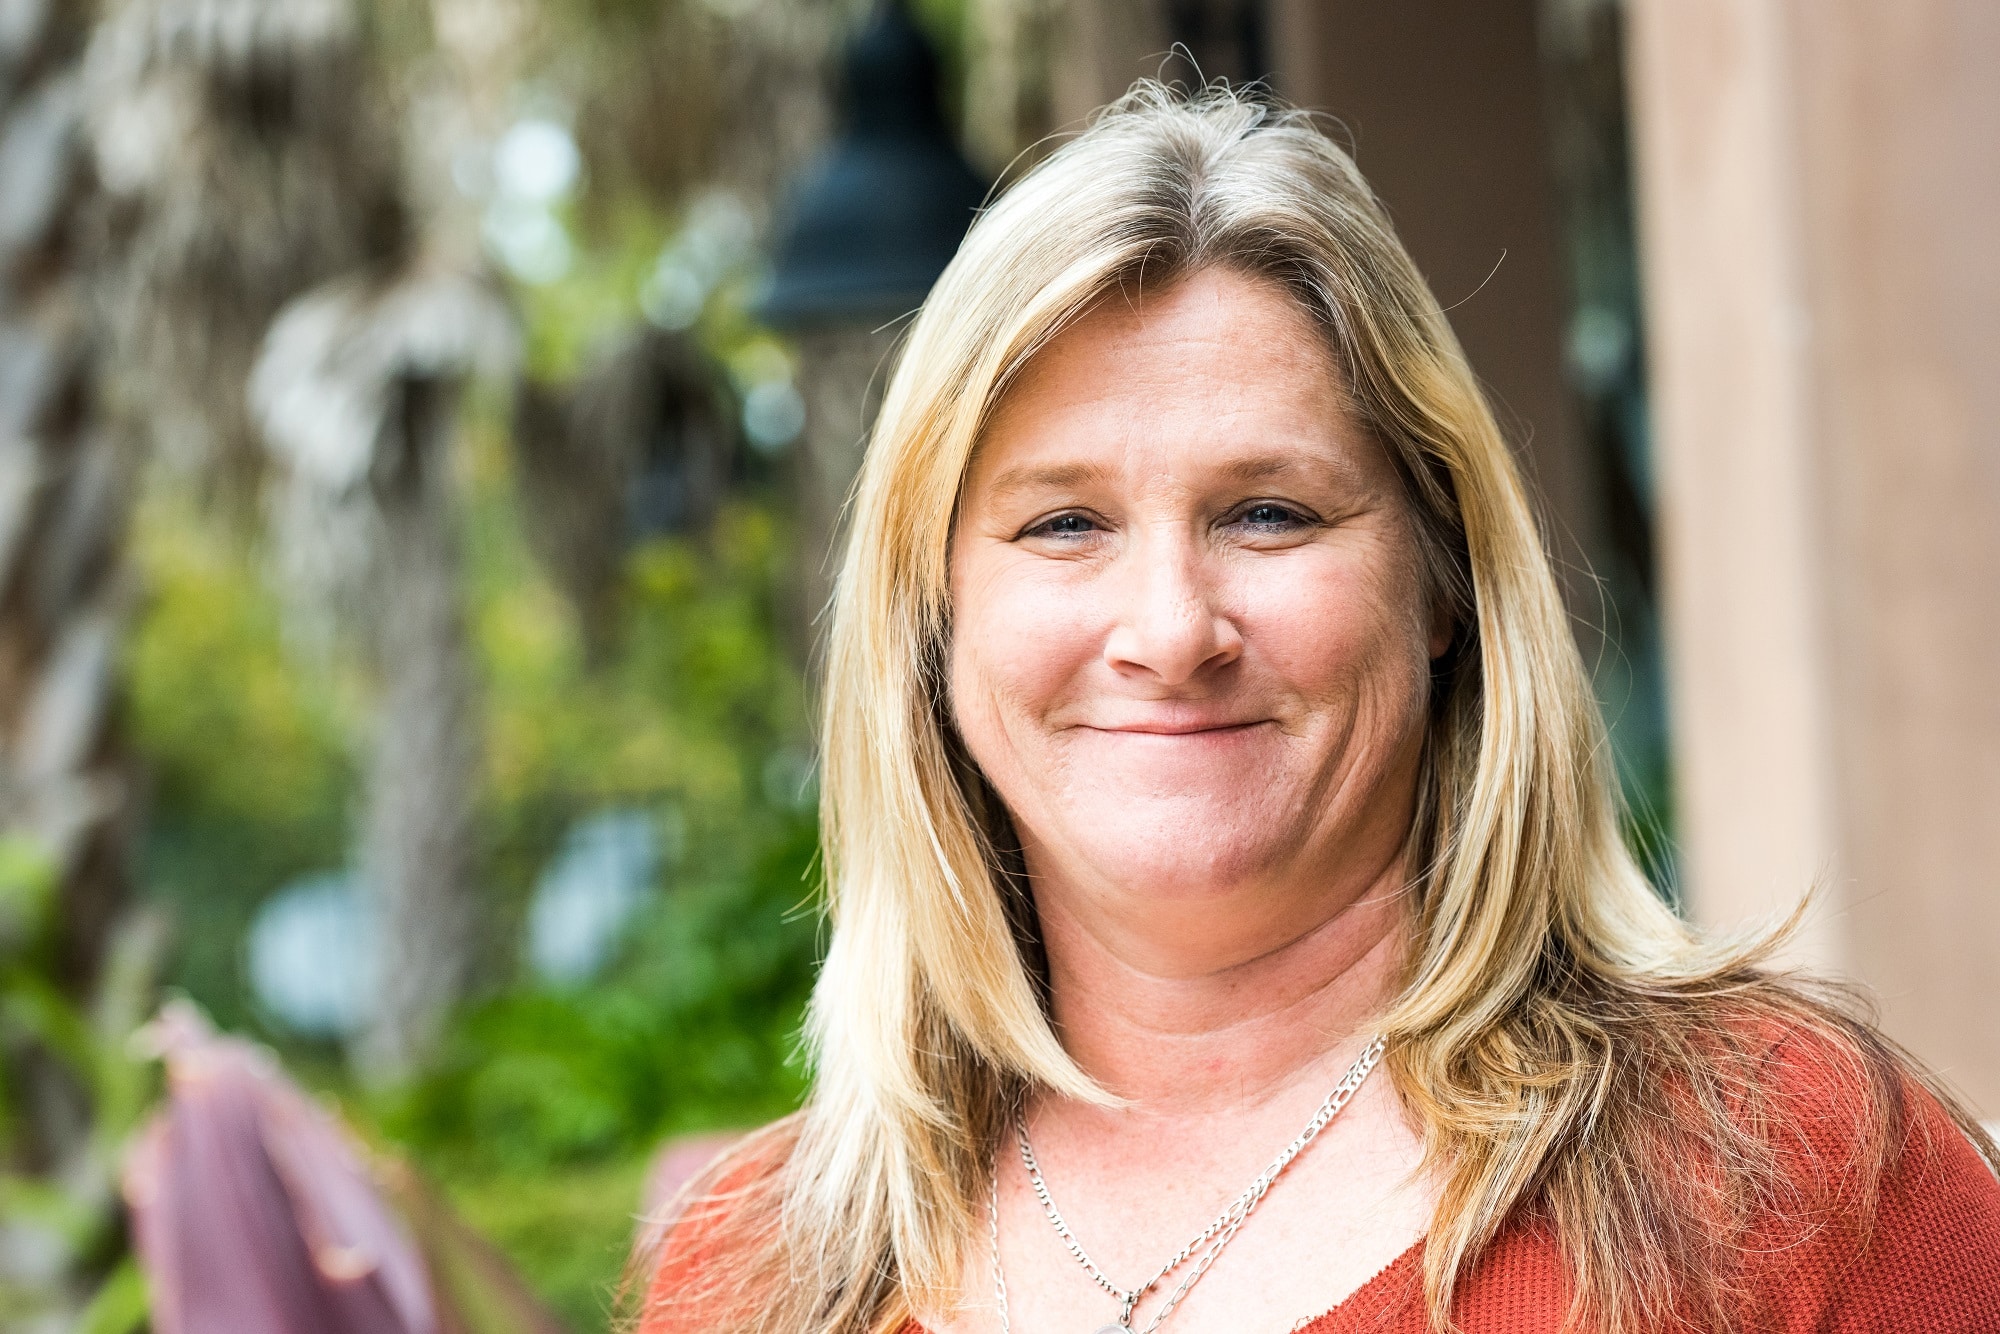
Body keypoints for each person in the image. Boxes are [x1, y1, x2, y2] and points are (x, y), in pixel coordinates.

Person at [637, 85, 2000, 1334]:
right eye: (1063, 523)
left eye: (1269, 512)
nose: (1172, 630)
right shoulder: (758, 1270)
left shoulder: (1786, 1177)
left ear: (1444, 578)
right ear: (930, 625)